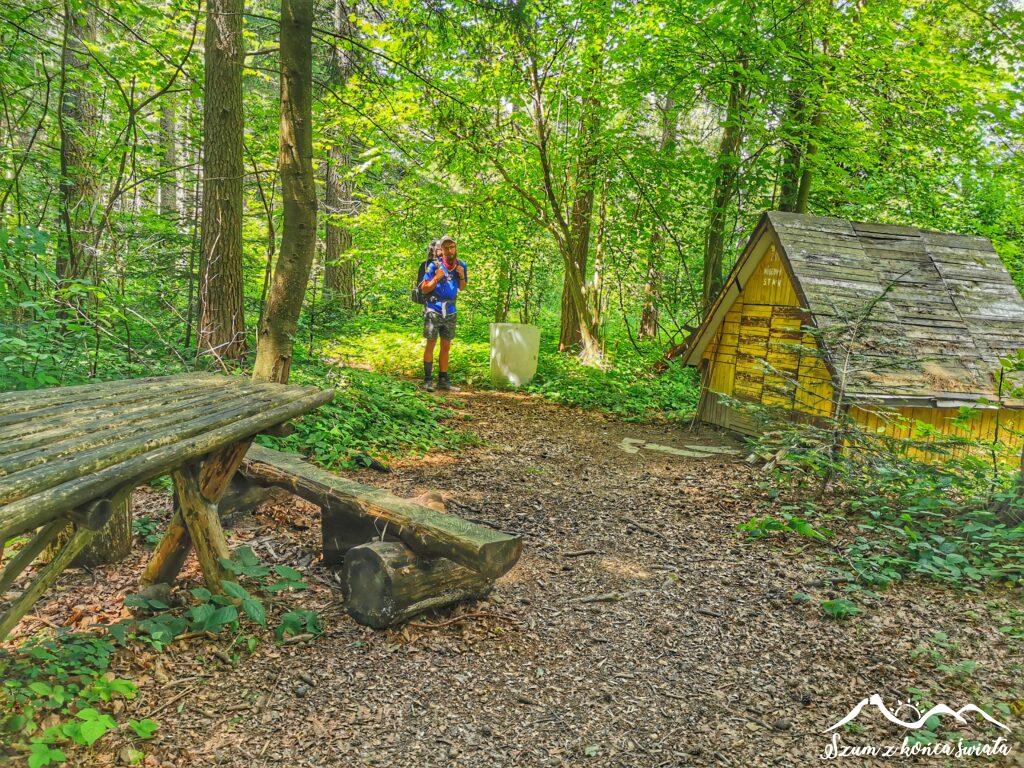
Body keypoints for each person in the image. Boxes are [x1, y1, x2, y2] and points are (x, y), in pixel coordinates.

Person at [419, 234, 466, 391]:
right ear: (442, 250)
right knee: (431, 343)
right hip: (434, 308)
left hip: (451, 310)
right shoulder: (434, 266)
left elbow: (462, 287)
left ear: (455, 248)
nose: (449, 250)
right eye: (446, 247)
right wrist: (436, 278)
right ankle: (427, 380)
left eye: (452, 246)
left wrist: (461, 275)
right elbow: (424, 288)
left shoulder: (461, 265)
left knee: (446, 345)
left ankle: (443, 380)